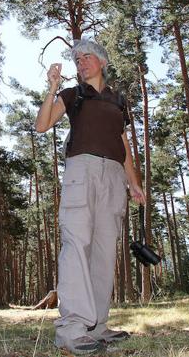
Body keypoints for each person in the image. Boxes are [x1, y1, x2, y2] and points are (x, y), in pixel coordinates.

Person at [34, 39, 146, 355]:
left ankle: (97, 327)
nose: (81, 62)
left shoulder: (118, 101)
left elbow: (123, 145)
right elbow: (42, 125)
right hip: (80, 171)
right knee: (76, 245)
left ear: (102, 61)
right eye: (77, 59)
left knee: (104, 251)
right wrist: (53, 87)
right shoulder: (72, 94)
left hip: (113, 176)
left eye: (87, 57)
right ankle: (71, 330)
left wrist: (133, 182)